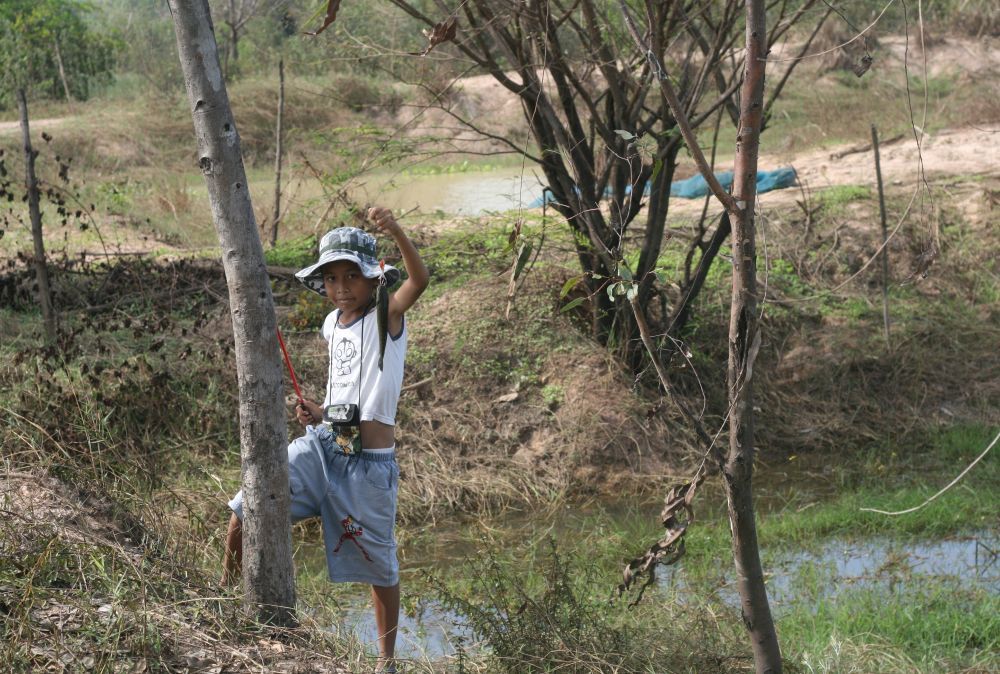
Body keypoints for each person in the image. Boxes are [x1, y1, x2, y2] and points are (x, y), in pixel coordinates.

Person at [222, 208, 429, 672]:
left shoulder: (385, 315)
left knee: (380, 565)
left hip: (369, 463)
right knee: (245, 507)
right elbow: (346, 389)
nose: (341, 287)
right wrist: (319, 412)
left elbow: (419, 280)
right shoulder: (331, 325)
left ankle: (386, 661)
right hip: (325, 446)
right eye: (332, 278)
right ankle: (221, 602)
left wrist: (394, 230)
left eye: (351, 276)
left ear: (374, 277)